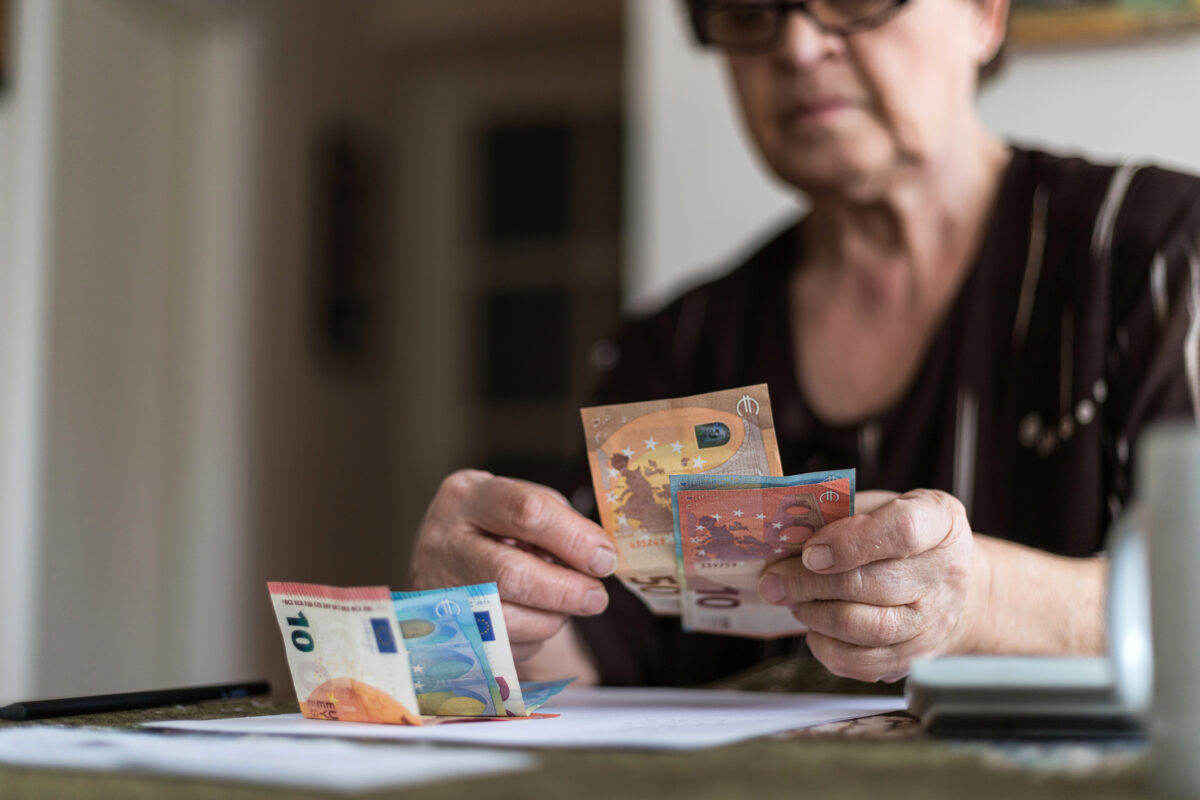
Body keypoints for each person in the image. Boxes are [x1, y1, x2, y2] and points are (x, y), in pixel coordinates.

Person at [410, 0, 1200, 687]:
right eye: (749, 11)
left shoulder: (1157, 254)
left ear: (985, 14)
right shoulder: (678, 348)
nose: (795, 47)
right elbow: (592, 646)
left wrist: (985, 597)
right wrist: (484, 609)